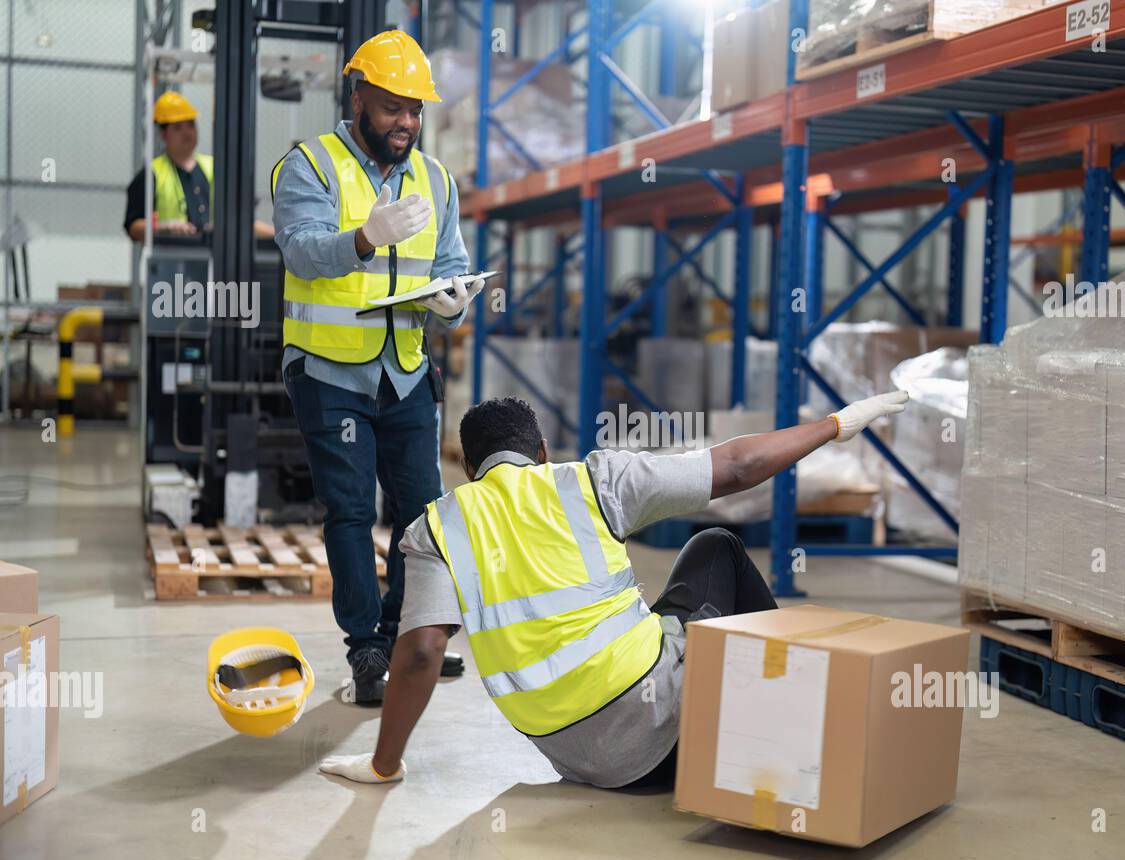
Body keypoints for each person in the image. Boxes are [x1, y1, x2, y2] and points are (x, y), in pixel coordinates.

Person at [319, 389, 909, 786]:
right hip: (670, 740)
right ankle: (799, 730)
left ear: (470, 470)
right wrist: (836, 425)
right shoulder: (592, 481)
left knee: (649, 619)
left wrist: (383, 764)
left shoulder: (438, 527)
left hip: (580, 763)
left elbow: (421, 651)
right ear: (543, 453)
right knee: (716, 550)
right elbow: (735, 467)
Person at [272, 30, 484, 704]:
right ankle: (365, 650)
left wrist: (453, 301)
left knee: (423, 513)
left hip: (407, 368)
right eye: (394, 107)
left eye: (416, 110)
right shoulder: (310, 165)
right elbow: (303, 253)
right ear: (358, 96)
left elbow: (448, 264)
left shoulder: (435, 178)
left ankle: (404, 638)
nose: (407, 123)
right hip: (330, 371)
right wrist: (366, 238)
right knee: (351, 512)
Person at [124, 91, 274, 241]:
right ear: (163, 134)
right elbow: (133, 227)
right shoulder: (152, 174)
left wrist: (281, 237)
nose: (187, 132)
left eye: (190, 124)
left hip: (216, 257)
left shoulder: (217, 168)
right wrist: (166, 227)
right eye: (178, 127)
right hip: (172, 258)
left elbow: (243, 222)